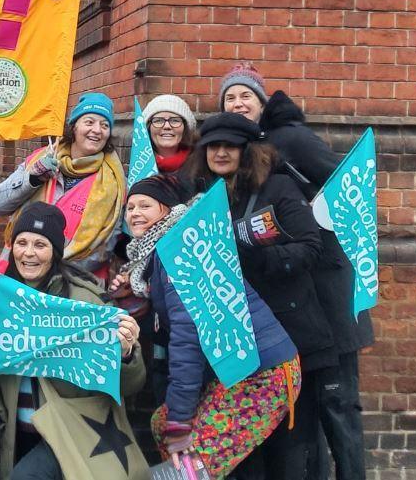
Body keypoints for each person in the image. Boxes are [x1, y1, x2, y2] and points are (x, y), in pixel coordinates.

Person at [219, 62, 373, 480]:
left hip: (327, 292)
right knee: (302, 414)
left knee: (337, 409)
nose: (237, 104)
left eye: (245, 96)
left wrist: (312, 220)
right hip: (292, 301)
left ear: (262, 102)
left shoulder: (290, 140)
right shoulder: (237, 155)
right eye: (229, 97)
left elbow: (345, 186)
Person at [113, 175, 300, 479]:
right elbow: (174, 327)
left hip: (264, 373)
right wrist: (135, 300)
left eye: (145, 205)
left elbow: (187, 342)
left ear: (167, 210)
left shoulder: (176, 255)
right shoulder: (162, 254)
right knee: (162, 424)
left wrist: (181, 423)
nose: (134, 213)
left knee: (188, 459)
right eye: (130, 207)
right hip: (242, 369)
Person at [187, 112, 338, 474]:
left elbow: (309, 246)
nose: (220, 153)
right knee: (241, 451)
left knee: (289, 448)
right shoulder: (200, 195)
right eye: (213, 146)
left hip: (289, 338)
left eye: (230, 146)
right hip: (234, 345)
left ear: (247, 150)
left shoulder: (278, 188)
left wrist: (258, 257)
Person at [0, 202, 146, 480]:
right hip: (15, 437)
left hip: (71, 437)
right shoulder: (1, 301)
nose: (29, 253)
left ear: (55, 252)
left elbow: (129, 386)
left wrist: (126, 354)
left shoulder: (84, 302)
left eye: (40, 244)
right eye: (21, 242)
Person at [0, 92, 125, 279]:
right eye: (89, 122)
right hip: (17, 277)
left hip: (72, 286)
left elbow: (105, 246)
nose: (97, 130)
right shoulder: (41, 160)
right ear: (74, 127)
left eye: (104, 125)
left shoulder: (113, 182)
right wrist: (32, 179)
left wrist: (52, 271)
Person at [143, 94, 197, 173]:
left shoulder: (201, 166)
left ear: (185, 128)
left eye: (175, 120)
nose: (167, 126)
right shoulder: (138, 168)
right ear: (148, 127)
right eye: (158, 121)